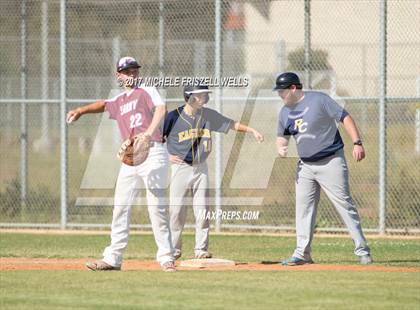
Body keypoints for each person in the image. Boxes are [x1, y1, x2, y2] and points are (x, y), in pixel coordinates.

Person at [66, 56, 176, 272]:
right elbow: (104, 105)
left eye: (134, 70)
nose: (132, 74)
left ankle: (166, 258)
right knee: (120, 208)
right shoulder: (119, 101)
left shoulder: (147, 89)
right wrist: (80, 111)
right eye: (127, 71)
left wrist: (148, 133)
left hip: (154, 152)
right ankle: (113, 258)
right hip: (131, 158)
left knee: (156, 208)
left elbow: (162, 109)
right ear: (119, 75)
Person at [274, 72, 372, 265]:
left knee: (345, 205)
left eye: (282, 91)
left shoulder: (319, 100)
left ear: (294, 88)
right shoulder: (285, 111)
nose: (280, 95)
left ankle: (362, 250)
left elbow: (345, 117)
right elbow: (282, 136)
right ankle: (303, 254)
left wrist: (357, 143)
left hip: (331, 161)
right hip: (305, 166)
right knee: (303, 210)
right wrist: (281, 146)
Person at [163, 83, 264, 259]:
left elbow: (231, 124)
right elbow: (156, 139)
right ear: (190, 96)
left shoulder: (208, 115)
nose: (204, 98)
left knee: (202, 210)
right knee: (177, 212)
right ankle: (174, 250)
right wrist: (166, 156)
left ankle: (200, 249)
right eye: (200, 95)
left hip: (201, 168)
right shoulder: (173, 117)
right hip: (180, 168)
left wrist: (252, 130)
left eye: (205, 95)